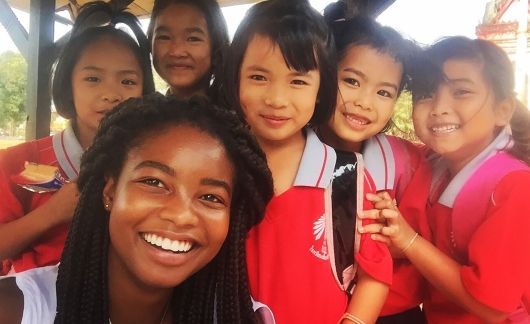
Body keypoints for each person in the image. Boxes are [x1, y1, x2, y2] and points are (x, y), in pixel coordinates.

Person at [0, 93, 274, 323]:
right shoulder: (16, 310)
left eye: (212, 198)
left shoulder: (239, 317)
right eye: (154, 182)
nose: (180, 215)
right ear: (110, 191)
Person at [223, 1, 392, 323]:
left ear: (320, 90)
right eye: (259, 77)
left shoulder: (347, 177)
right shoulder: (216, 166)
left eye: (298, 81)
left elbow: (375, 274)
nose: (276, 99)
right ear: (236, 79)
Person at [365, 36, 530, 323]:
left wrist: (408, 241)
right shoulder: (434, 164)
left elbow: (492, 306)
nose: (439, 107)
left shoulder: (514, 186)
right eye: (426, 93)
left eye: (462, 92)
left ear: (502, 110)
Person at [0, 1, 154, 275]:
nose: (111, 94)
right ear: (68, 84)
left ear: (144, 91)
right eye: (93, 79)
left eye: (127, 82)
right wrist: (51, 214)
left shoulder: (154, 167)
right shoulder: (18, 162)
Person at [318, 6, 431, 323]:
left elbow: (420, 238)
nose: (364, 102)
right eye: (352, 81)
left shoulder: (404, 161)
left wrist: (396, 240)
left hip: (392, 312)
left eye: (383, 92)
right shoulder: (291, 152)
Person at [147, 0, 229, 99]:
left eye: (193, 39)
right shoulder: (139, 112)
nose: (176, 52)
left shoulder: (238, 112)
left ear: (216, 46)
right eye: (164, 37)